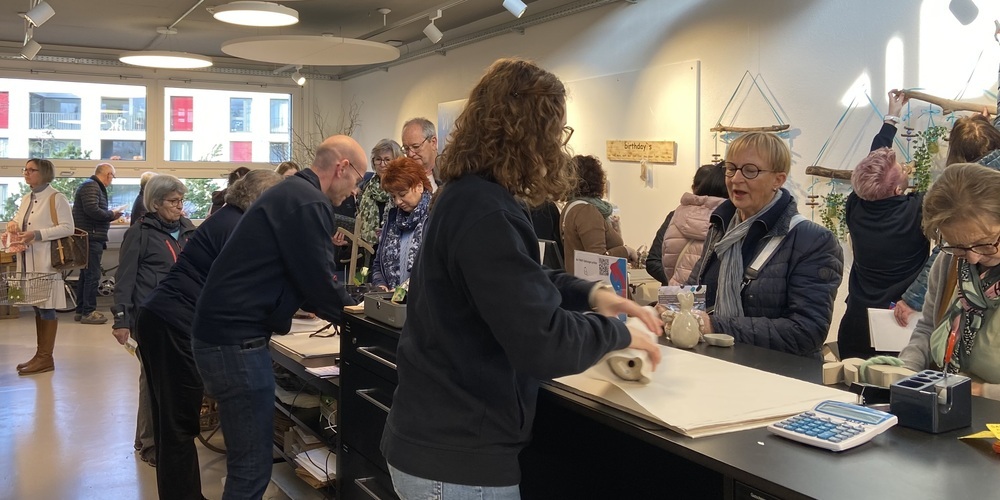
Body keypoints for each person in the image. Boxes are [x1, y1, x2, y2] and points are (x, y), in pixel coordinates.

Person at [380, 57, 662, 499]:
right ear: (532, 134)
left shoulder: (466, 195)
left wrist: (592, 294)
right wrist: (619, 333)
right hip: (458, 461)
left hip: (437, 444)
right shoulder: (485, 210)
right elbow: (544, 343)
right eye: (556, 131)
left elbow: (516, 279)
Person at [191, 135, 363, 500]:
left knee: (248, 463)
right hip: (235, 343)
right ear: (342, 167)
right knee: (252, 467)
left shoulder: (290, 192)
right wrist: (357, 317)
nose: (355, 191)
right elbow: (320, 280)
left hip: (222, 337)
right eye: (358, 180)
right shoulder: (309, 201)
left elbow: (296, 272)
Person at [135, 169, 282, 500]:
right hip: (174, 322)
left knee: (171, 422)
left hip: (163, 316)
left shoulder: (227, 218)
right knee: (178, 424)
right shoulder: (238, 227)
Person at [687, 132, 844, 358]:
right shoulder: (720, 227)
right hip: (719, 365)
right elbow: (695, 290)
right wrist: (664, 307)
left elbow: (807, 332)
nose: (735, 179)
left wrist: (716, 326)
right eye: (731, 168)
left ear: (778, 180)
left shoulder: (813, 241)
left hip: (776, 375)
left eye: (750, 170)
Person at [891, 163, 1000, 400]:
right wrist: (904, 373)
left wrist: (981, 391)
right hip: (948, 400)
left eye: (986, 243)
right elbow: (928, 328)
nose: (973, 258)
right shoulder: (949, 263)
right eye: (958, 246)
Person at [111, 174, 197, 467]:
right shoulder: (140, 233)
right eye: (173, 201)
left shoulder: (188, 229)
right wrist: (121, 319)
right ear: (156, 203)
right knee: (152, 380)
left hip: (183, 316)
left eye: (182, 200)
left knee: (170, 379)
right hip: (151, 317)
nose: (180, 207)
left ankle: (148, 437)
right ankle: (150, 444)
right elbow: (125, 278)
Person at [837, 90, 930, 360]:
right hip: (898, 327)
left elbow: (873, 167)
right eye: (902, 169)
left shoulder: (855, 206)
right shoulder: (917, 210)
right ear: (898, 190)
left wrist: (892, 118)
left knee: (854, 382)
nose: (905, 167)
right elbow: (962, 182)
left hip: (856, 323)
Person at [8, 158, 75, 375]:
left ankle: (46, 358)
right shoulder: (27, 197)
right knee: (37, 306)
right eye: (25, 170)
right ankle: (40, 355)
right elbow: (20, 220)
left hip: (46, 261)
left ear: (44, 173)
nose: (26, 173)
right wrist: (13, 224)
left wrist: (37, 234)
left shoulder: (56, 197)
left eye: (31, 170)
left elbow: (68, 228)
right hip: (27, 260)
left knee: (47, 307)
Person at [646, 162, 729, 286]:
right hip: (708, 295)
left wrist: (676, 283)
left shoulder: (676, 215)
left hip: (675, 294)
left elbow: (653, 261)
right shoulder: (728, 220)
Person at [560, 154, 636, 275]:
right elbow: (598, 261)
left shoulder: (570, 208)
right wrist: (626, 251)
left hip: (575, 281)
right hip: (593, 284)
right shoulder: (586, 211)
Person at [72, 162, 123, 325]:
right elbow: (92, 210)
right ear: (108, 174)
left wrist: (110, 216)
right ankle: (88, 312)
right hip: (90, 237)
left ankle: (81, 310)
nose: (112, 180)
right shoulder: (92, 186)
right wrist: (111, 214)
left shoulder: (91, 186)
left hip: (89, 236)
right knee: (92, 275)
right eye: (112, 176)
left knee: (86, 275)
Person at [370, 157, 431, 290]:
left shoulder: (434, 218)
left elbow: (435, 268)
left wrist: (405, 290)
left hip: (422, 300)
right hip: (391, 301)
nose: (398, 201)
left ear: (419, 186)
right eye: (393, 196)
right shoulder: (392, 219)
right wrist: (380, 285)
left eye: (402, 194)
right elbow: (378, 264)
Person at [357, 139, 402, 265]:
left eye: (387, 160)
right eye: (378, 159)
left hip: (394, 252)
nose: (382, 164)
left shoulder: (402, 187)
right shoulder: (365, 186)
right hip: (367, 251)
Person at [401, 117, 439, 191]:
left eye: (416, 147)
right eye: (406, 148)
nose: (410, 154)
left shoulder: (452, 171)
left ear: (433, 142)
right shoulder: (402, 177)